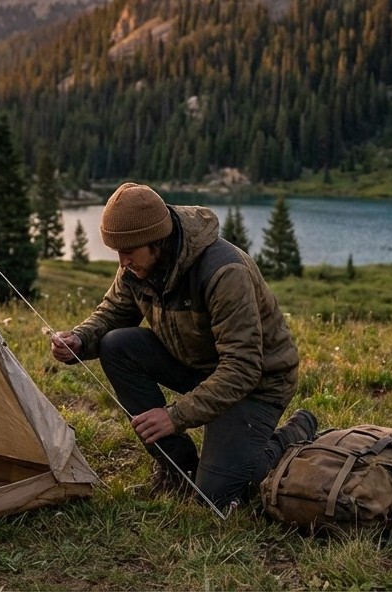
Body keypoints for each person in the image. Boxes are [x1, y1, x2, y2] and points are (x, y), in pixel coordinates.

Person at [50, 182, 317, 510]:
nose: (121, 263)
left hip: (258, 383)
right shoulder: (139, 262)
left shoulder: (223, 271)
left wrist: (176, 416)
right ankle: (178, 467)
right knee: (117, 344)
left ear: (156, 242)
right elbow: (114, 313)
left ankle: (294, 433)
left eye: (128, 252)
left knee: (218, 497)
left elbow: (243, 367)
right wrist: (79, 339)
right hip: (198, 367)